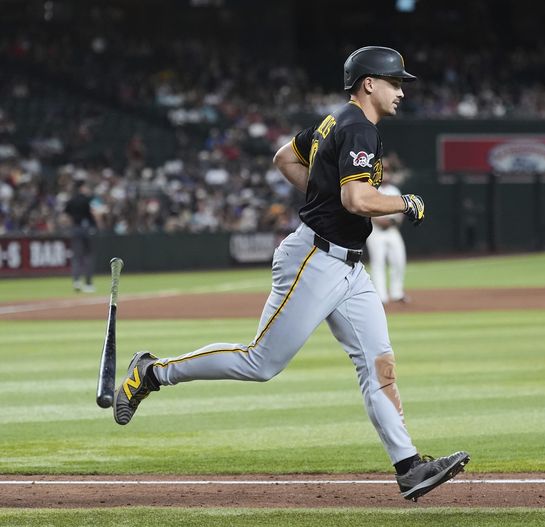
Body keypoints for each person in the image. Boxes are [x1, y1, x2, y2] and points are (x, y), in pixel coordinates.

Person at [112, 46, 469, 502]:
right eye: (395, 82)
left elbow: (285, 157)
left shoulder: (334, 120)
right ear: (369, 84)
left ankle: (408, 467)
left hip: (350, 268)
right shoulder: (359, 127)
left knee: (378, 366)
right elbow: (358, 201)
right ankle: (153, 372)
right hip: (315, 259)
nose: (402, 91)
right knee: (261, 362)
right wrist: (406, 202)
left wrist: (321, 191)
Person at [366, 157, 408, 303]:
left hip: (392, 230)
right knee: (378, 263)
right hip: (375, 231)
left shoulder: (394, 189)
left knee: (399, 260)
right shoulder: (370, 188)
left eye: (387, 169)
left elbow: (401, 212)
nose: (386, 172)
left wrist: (391, 221)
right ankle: (381, 296)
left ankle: (397, 292)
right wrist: (381, 220)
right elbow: (368, 211)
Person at [64, 180, 97, 292]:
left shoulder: (71, 200)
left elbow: (66, 215)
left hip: (75, 228)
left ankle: (76, 282)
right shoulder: (87, 200)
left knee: (77, 257)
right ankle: (88, 284)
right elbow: (92, 214)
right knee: (88, 256)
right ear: (81, 188)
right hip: (86, 229)